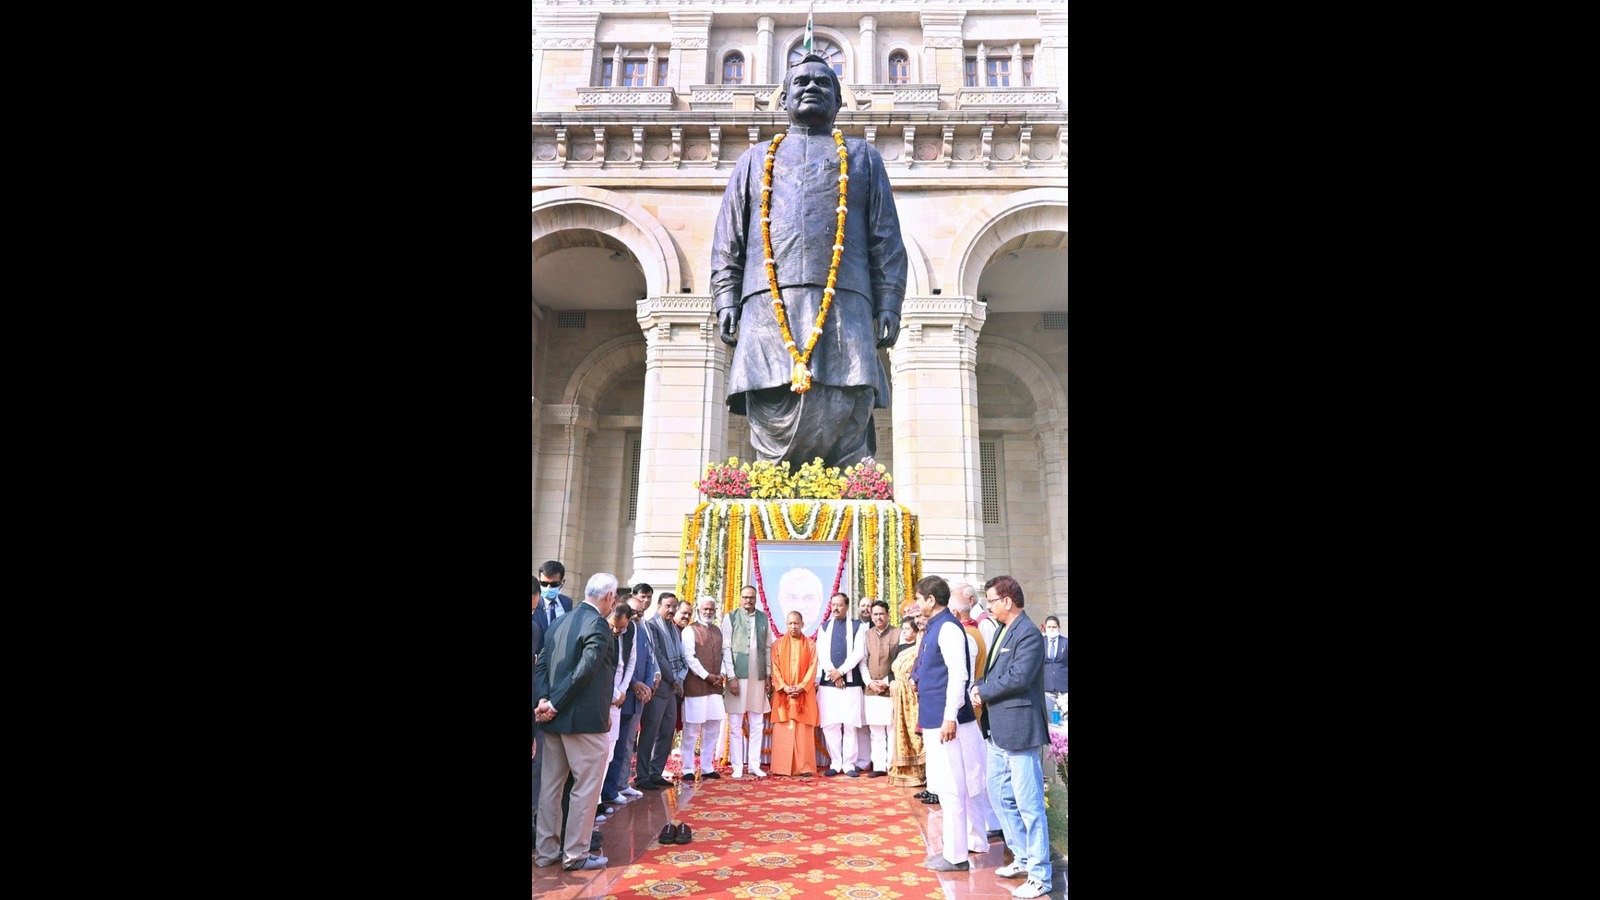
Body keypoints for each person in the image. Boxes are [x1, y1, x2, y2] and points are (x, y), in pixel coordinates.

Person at [711, 53, 907, 469]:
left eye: (823, 83)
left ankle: (844, 492)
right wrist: (725, 298)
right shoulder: (753, 159)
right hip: (767, 303)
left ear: (838, 102)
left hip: (845, 301)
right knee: (770, 395)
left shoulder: (863, 156)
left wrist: (890, 300)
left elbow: (885, 235)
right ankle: (774, 492)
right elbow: (730, 236)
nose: (811, 87)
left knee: (847, 395)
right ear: (783, 101)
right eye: (800, 83)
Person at [971, 576, 1053, 899]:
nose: (988, 605)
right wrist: (978, 686)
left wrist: (983, 690)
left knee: (1029, 804)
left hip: (1020, 729)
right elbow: (992, 672)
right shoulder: (1004, 630)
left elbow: (1018, 677)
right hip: (998, 730)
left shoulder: (1029, 633)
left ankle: (1040, 874)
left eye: (991, 600)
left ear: (1007, 601)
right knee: (999, 795)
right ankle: (1021, 856)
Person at [533, 573, 620, 871]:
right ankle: (576, 855)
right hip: (582, 721)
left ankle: (545, 853)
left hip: (553, 720)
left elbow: (541, 666)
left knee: (550, 788)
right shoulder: (596, 624)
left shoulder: (560, 621)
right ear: (608, 597)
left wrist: (544, 701)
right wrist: (554, 703)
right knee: (585, 788)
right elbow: (587, 669)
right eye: (615, 597)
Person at [912, 575, 995, 872]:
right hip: (944, 718)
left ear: (931, 600)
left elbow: (959, 674)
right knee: (965, 783)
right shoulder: (938, 626)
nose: (916, 604)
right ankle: (975, 842)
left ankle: (956, 855)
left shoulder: (947, 627)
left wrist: (949, 716)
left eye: (919, 598)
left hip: (948, 720)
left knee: (951, 788)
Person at [532, 562, 575, 841]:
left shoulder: (568, 605)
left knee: (548, 765)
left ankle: (549, 823)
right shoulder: (536, 621)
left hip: (553, 693)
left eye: (553, 584)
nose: (549, 590)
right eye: (544, 584)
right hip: (539, 694)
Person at [601, 592, 656, 805]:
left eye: (639, 613)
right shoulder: (608, 629)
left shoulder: (634, 629)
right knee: (606, 749)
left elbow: (637, 660)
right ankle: (603, 794)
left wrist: (639, 685)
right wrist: (623, 689)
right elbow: (609, 665)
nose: (636, 617)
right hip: (612, 698)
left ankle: (616, 786)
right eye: (633, 613)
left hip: (626, 696)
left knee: (621, 745)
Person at [722, 585, 774, 779]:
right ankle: (737, 765)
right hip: (738, 677)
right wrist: (731, 677)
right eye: (745, 597)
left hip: (758, 677)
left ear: (756, 599)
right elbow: (726, 648)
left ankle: (754, 764)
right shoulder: (731, 617)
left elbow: (768, 648)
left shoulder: (763, 618)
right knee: (735, 722)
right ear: (740, 598)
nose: (748, 601)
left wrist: (768, 674)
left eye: (751, 598)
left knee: (757, 722)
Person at [637, 590, 687, 791]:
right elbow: (657, 655)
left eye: (674, 606)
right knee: (651, 731)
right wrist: (674, 679)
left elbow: (680, 655)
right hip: (659, 687)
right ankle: (642, 775)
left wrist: (680, 679)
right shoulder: (652, 626)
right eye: (668, 606)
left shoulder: (673, 628)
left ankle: (656, 772)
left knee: (668, 731)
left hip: (672, 689)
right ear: (659, 606)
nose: (672, 610)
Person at [815, 592, 867, 776]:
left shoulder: (857, 626)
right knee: (830, 724)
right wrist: (833, 674)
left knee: (850, 724)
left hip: (851, 683)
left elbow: (859, 652)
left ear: (846, 607)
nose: (835, 608)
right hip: (829, 684)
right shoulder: (824, 627)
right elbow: (820, 653)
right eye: (833, 605)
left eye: (839, 605)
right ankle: (835, 763)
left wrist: (842, 672)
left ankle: (849, 764)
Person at [681, 596, 732, 780]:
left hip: (715, 688)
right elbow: (689, 657)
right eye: (705, 609)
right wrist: (706, 676)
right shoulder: (689, 630)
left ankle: (707, 766)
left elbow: (724, 654)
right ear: (698, 609)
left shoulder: (717, 631)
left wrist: (723, 674)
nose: (708, 612)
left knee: (713, 728)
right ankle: (687, 768)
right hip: (696, 687)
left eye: (711, 609)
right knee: (692, 729)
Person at [768, 610, 819, 776]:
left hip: (804, 694)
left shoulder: (810, 645)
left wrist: (802, 686)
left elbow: (813, 668)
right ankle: (781, 767)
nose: (793, 626)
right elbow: (774, 668)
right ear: (786, 624)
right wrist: (783, 686)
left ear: (802, 624)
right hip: (784, 694)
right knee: (784, 729)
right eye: (790, 623)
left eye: (796, 623)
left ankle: (805, 767)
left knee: (803, 731)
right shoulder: (778, 644)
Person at [888, 604, 925, 789]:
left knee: (914, 735)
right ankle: (905, 771)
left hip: (912, 699)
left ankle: (919, 774)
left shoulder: (922, 641)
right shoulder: (903, 649)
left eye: (906, 628)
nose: (903, 632)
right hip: (901, 698)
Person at [859, 600, 896, 777]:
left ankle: (892, 766)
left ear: (888, 615)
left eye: (881, 614)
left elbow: (901, 661)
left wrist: (887, 681)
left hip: (891, 689)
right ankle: (879, 766)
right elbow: (863, 662)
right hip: (872, 689)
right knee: (875, 731)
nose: (878, 617)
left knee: (892, 729)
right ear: (871, 616)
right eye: (875, 614)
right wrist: (870, 682)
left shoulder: (897, 634)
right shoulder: (866, 635)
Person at [1042, 615, 1068, 714]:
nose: (1051, 629)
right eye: (1049, 627)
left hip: (1064, 688)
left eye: (1054, 627)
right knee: (1051, 720)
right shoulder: (1040, 642)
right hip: (1047, 688)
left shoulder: (1065, 642)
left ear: (1059, 628)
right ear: (1045, 628)